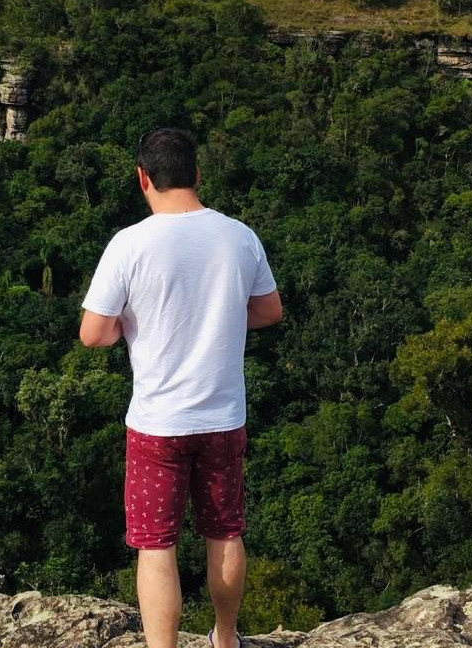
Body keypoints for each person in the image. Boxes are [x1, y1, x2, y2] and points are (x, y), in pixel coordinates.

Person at [79, 127, 283, 648]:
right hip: (222, 418)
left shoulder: (129, 244)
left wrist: (138, 319)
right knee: (226, 531)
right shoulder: (239, 236)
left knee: (155, 546)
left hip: (157, 425)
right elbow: (268, 311)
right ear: (196, 173)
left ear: (142, 177)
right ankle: (226, 638)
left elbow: (94, 334)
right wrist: (219, 316)